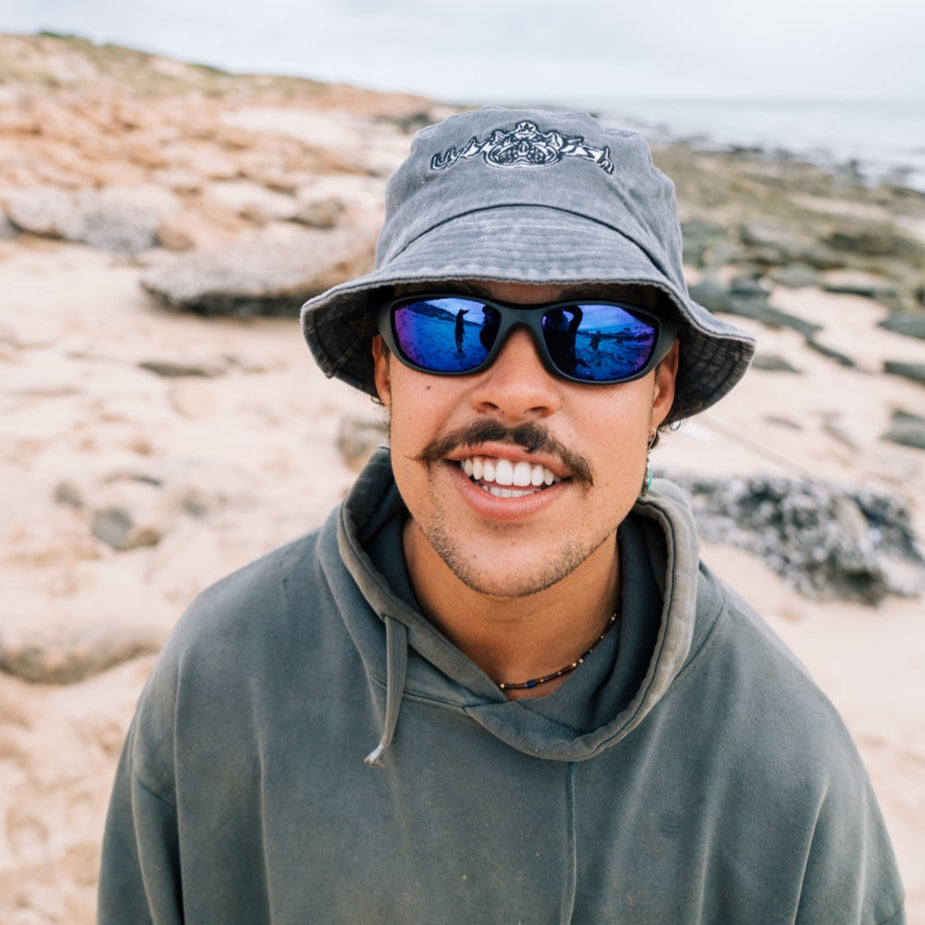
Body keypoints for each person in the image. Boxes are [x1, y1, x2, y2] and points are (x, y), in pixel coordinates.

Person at [98, 108, 906, 924]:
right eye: (449, 326)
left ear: (658, 389)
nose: (516, 389)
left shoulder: (787, 778)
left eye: (595, 334)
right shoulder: (223, 676)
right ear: (383, 368)